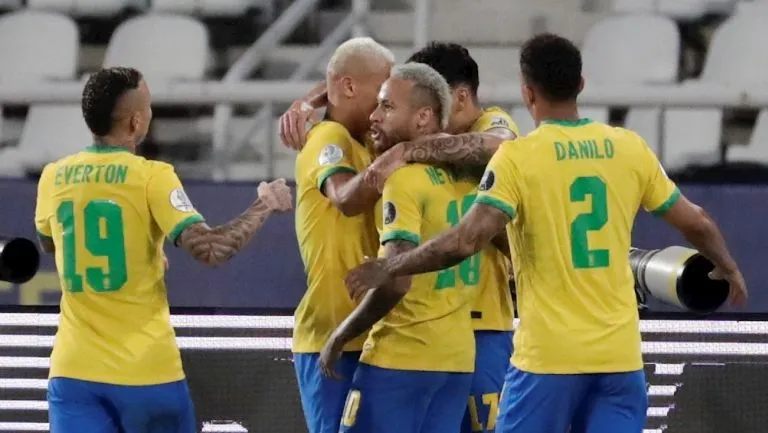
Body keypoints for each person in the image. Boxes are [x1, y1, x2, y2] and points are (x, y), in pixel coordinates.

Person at [345, 33, 748, 433]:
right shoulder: (629, 147)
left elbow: (465, 241)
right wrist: (727, 265)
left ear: (527, 92)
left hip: (547, 362)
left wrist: (392, 265)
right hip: (620, 362)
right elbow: (695, 221)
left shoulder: (518, 158)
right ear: (581, 85)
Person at [34, 67, 293, 433]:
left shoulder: (52, 176)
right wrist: (264, 205)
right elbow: (211, 250)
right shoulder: (151, 176)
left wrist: (135, 245)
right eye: (150, 105)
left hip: (73, 374)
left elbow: (52, 241)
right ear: (136, 121)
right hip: (146, 375)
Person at [318, 62, 476, 433]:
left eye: (387, 107)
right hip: (456, 361)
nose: (374, 115)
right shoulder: (469, 176)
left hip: (401, 356)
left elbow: (396, 279)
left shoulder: (402, 179)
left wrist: (341, 334)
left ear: (424, 118)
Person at [292, 37, 395, 433]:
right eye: (382, 95)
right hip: (332, 337)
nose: (385, 107)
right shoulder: (328, 139)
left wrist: (311, 97)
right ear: (350, 87)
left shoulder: (363, 142)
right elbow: (343, 197)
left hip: (364, 333)